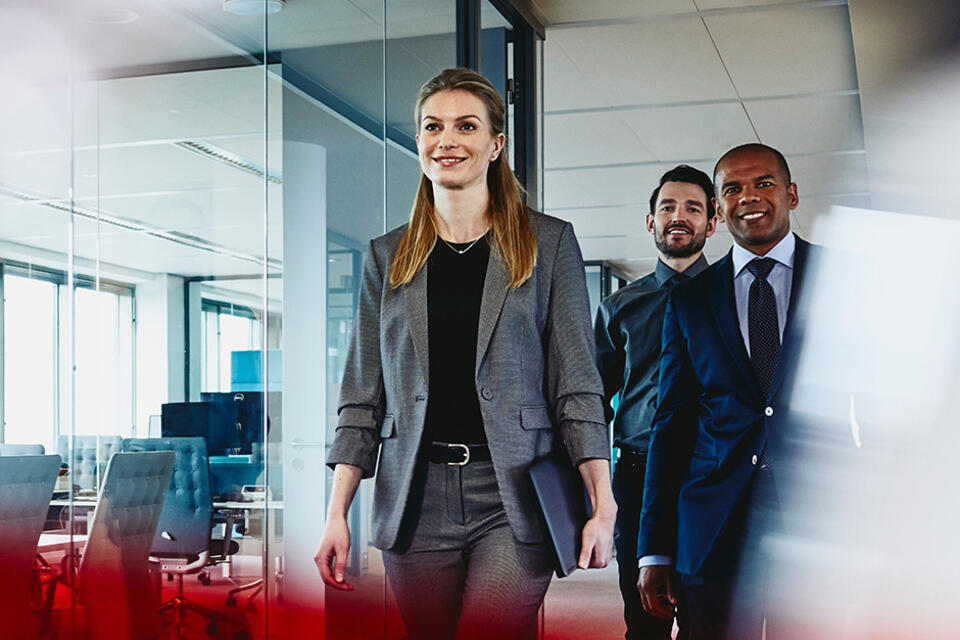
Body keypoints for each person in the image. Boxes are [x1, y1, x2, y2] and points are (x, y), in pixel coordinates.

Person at [314, 68, 616, 640]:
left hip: (512, 494)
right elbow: (361, 398)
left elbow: (577, 386)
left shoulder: (547, 244)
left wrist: (603, 503)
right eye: (433, 126)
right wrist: (336, 515)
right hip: (414, 498)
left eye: (466, 126)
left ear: (495, 144)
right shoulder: (388, 257)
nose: (446, 140)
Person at [637, 144, 817, 639]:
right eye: (732, 188)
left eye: (763, 183)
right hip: (712, 528)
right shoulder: (692, 300)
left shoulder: (842, 278)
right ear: (719, 207)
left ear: (792, 194)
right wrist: (654, 550)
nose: (748, 197)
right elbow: (670, 425)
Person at [594, 165, 718, 640]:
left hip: (709, 472)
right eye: (667, 207)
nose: (678, 217)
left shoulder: (731, 297)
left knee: (709, 617)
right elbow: (592, 399)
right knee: (643, 619)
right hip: (639, 475)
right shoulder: (620, 307)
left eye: (692, 208)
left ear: (713, 221)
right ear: (651, 222)